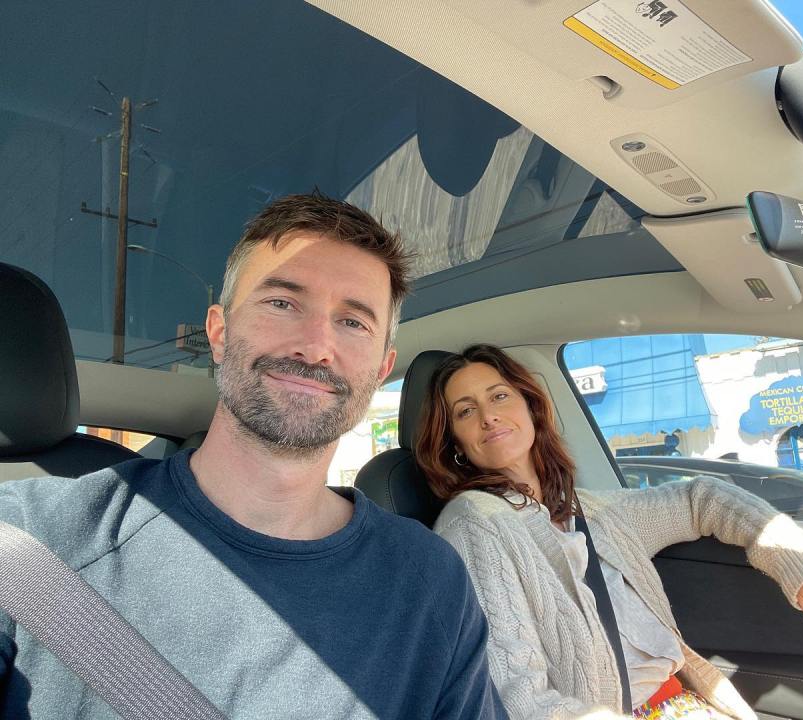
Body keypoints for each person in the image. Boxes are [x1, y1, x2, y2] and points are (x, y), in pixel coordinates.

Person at [0, 193, 506, 720]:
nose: (315, 347)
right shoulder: (29, 540)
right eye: (282, 303)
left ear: (381, 368)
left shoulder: (430, 580)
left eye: (353, 322)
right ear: (218, 333)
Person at [415, 344, 803, 720]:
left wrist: (801, 564)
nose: (488, 417)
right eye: (465, 411)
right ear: (455, 442)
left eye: (498, 397)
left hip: (686, 702)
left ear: (531, 408)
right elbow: (516, 696)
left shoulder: (592, 510)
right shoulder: (474, 523)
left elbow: (702, 498)